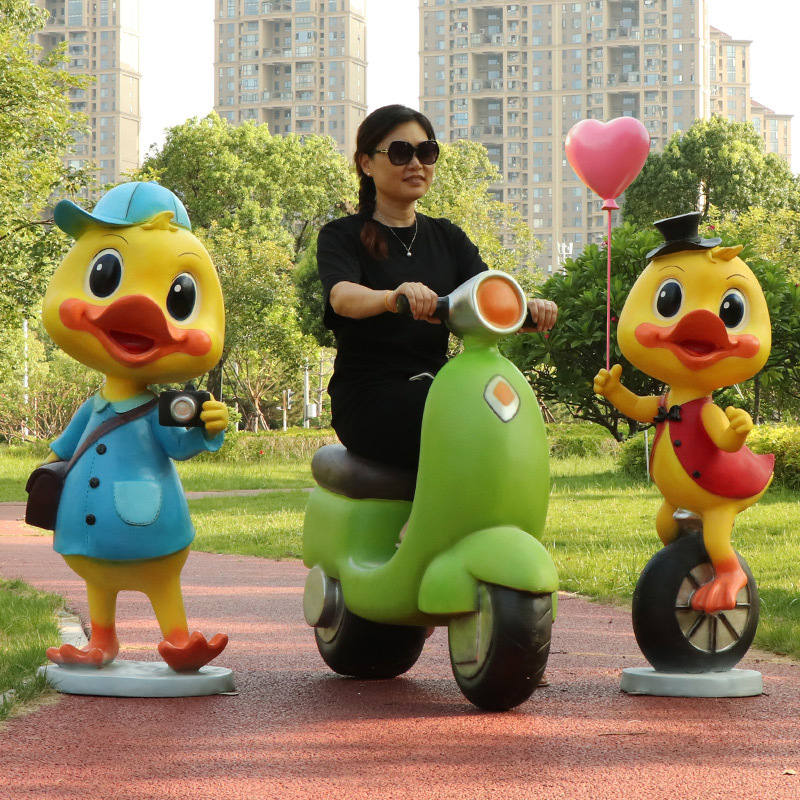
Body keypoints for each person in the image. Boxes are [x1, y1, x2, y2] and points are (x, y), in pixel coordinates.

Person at [317, 104, 557, 471]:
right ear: (367, 163)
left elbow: (485, 299)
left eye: (426, 152)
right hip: (369, 396)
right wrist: (392, 298)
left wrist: (527, 311)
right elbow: (342, 297)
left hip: (440, 385)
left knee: (500, 413)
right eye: (401, 153)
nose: (416, 163)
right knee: (453, 416)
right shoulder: (341, 235)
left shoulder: (447, 237)